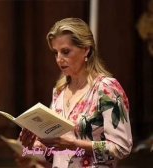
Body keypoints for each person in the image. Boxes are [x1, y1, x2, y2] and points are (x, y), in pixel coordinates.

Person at [19, 18, 132, 168]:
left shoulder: (106, 88)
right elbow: (58, 155)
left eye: (65, 51)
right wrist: (33, 146)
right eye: (55, 53)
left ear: (86, 49)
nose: (59, 59)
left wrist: (75, 144)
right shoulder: (59, 91)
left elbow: (121, 148)